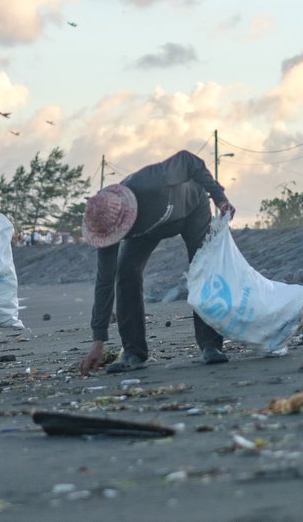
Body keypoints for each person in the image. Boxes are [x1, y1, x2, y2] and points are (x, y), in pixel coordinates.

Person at [79, 151, 236, 375]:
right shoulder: (106, 225)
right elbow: (104, 283)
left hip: (192, 209)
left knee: (202, 267)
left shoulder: (152, 182)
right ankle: (134, 352)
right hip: (147, 229)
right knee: (125, 274)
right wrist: (98, 342)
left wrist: (219, 197)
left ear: (126, 215)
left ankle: (211, 345)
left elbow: (188, 160)